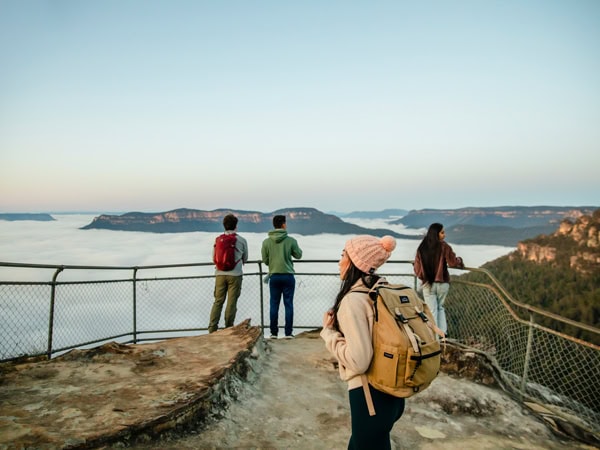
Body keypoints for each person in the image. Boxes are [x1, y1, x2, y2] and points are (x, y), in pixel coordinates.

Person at [320, 235, 403, 450]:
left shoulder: (352, 301)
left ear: (356, 262)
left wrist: (329, 333)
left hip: (369, 397)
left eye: (343, 256)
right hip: (392, 392)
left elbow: (359, 361)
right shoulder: (381, 290)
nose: (339, 262)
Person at [413, 222, 465, 336]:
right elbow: (452, 263)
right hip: (442, 283)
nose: (444, 235)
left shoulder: (422, 248)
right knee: (440, 308)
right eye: (442, 232)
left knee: (432, 311)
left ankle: (434, 338)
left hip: (428, 284)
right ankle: (443, 336)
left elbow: (417, 269)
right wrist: (459, 260)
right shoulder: (444, 246)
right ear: (436, 233)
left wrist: (424, 277)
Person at [261, 214, 303, 339]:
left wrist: (273, 261)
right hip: (288, 276)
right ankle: (288, 333)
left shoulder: (266, 242)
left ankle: (273, 333)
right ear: (283, 224)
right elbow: (299, 255)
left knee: (274, 305)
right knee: (288, 304)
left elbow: (265, 260)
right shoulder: (291, 240)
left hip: (274, 277)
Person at [208, 214, 249, 333]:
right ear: (236, 226)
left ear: (224, 226)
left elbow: (213, 258)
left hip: (219, 274)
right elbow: (245, 258)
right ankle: (229, 328)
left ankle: (212, 328)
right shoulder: (241, 240)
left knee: (218, 301)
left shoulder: (218, 240)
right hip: (235, 275)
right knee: (231, 303)